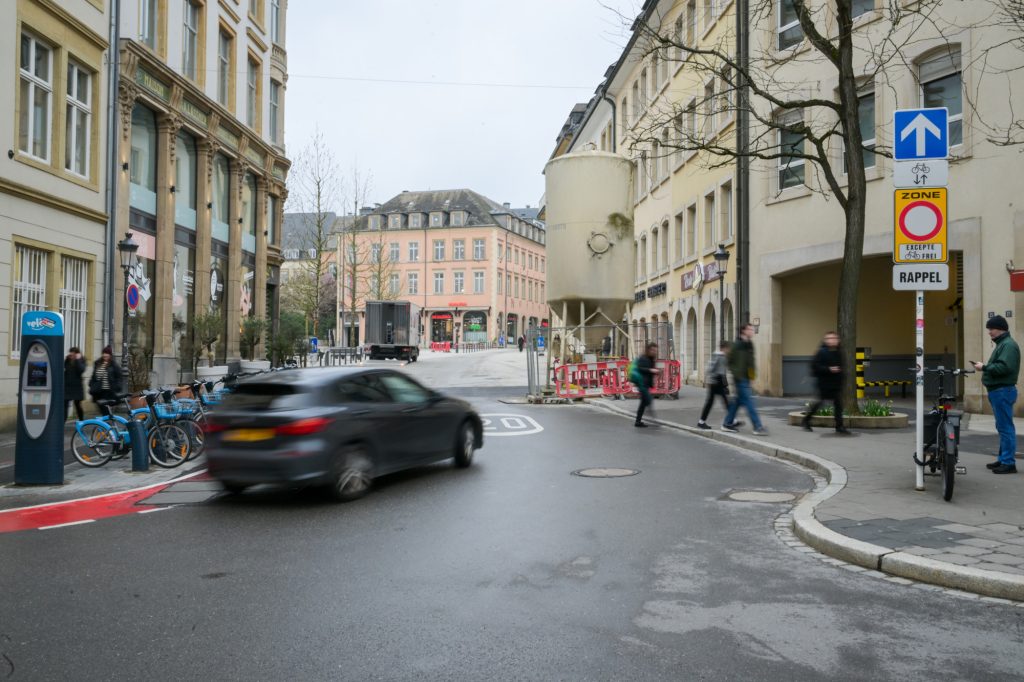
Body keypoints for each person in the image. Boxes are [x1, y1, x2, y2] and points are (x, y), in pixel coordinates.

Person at [972, 315, 1020, 474]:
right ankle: (1003, 459)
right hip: (1000, 391)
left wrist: (984, 367)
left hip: (1002, 391)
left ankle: (1008, 463)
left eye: (991, 329)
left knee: (1005, 428)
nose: (989, 332)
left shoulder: (1008, 345)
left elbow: (1004, 368)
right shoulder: (1004, 344)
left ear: (1000, 329)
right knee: (1003, 427)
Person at [723, 324, 768, 435]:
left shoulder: (749, 344)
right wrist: (736, 373)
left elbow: (750, 363)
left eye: (753, 329)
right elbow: (728, 361)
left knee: (737, 402)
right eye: (750, 329)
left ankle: (727, 423)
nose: (752, 331)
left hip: (746, 378)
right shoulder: (736, 345)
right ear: (743, 331)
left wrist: (751, 377)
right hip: (740, 378)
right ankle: (757, 427)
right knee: (749, 402)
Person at [803, 331, 849, 434]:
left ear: (838, 340)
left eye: (834, 338)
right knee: (819, 403)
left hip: (835, 384)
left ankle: (839, 426)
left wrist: (841, 379)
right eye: (829, 338)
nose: (832, 340)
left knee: (838, 404)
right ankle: (806, 420)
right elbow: (815, 367)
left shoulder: (839, 352)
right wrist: (829, 369)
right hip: (824, 383)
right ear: (825, 340)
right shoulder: (821, 352)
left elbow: (842, 367)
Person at [698, 341, 732, 430]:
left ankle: (701, 421)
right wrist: (712, 380)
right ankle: (701, 422)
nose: (729, 350)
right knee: (720, 402)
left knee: (720, 401)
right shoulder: (719, 356)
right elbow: (711, 368)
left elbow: (722, 371)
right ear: (724, 348)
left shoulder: (721, 356)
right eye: (728, 348)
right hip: (715, 382)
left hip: (717, 382)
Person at [88, 346, 123, 410]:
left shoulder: (113, 365)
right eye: (104, 353)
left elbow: (119, 377)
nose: (105, 355)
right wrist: (91, 384)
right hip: (99, 391)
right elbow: (94, 376)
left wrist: (117, 387)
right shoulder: (97, 363)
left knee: (106, 409)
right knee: (102, 409)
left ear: (110, 355)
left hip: (109, 391)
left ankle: (108, 416)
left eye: (107, 353)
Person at [634, 342, 660, 427]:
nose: (654, 352)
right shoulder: (643, 358)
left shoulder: (651, 358)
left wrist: (655, 372)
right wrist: (650, 370)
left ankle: (638, 422)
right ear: (648, 350)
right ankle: (653, 418)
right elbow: (640, 368)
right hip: (642, 384)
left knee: (643, 403)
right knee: (648, 400)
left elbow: (649, 371)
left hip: (646, 384)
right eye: (653, 350)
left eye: (655, 350)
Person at [64, 346, 86, 421]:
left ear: (76, 354)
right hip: (67, 386)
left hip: (77, 387)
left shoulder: (81, 360)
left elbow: (81, 370)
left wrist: (77, 360)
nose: (71, 355)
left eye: (73, 354)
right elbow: (65, 369)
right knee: (65, 405)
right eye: (70, 353)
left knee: (77, 405)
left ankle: (81, 421)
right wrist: (67, 359)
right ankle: (63, 421)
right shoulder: (67, 360)